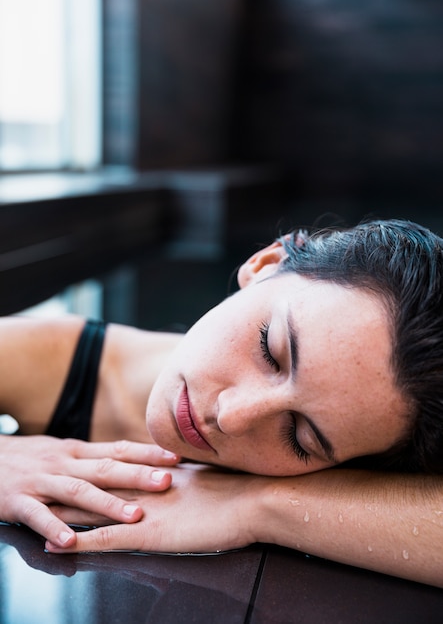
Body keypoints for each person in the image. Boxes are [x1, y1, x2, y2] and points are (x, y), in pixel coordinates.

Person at [2, 218, 443, 587]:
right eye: (270, 350)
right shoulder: (48, 356)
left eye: (300, 437)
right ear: (266, 264)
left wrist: (257, 505)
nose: (232, 416)